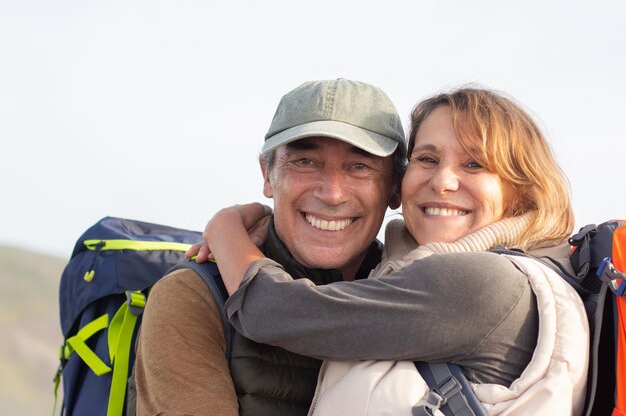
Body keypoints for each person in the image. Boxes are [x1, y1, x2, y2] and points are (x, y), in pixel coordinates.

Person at [201, 87, 590, 415]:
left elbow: (272, 311)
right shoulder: (412, 273)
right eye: (427, 159)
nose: (442, 182)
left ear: (521, 188)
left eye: (474, 164)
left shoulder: (485, 284)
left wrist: (224, 227)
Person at [132, 78, 407, 416]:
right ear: (267, 174)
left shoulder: (414, 294)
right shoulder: (192, 296)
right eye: (305, 161)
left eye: (360, 167)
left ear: (395, 188)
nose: (332, 193)